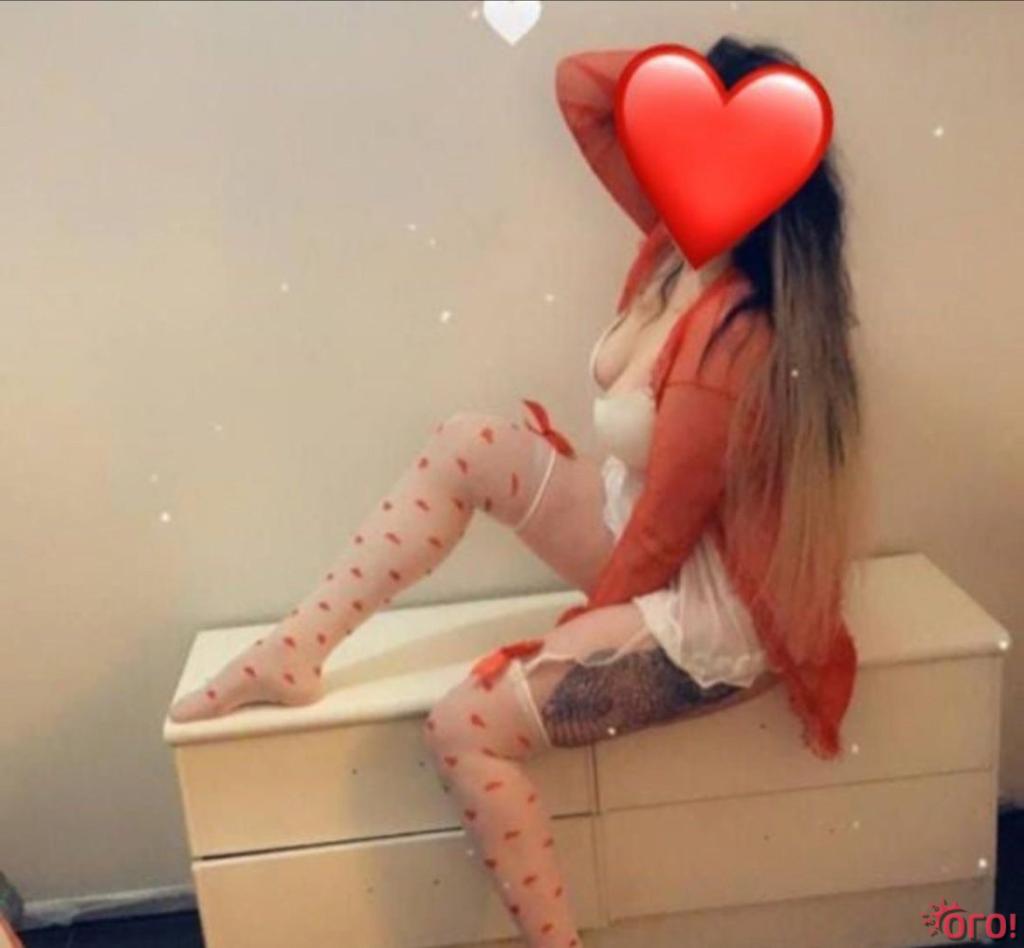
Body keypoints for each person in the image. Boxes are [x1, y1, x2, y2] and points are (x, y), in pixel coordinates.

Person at [168, 35, 867, 948]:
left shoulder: (737, 342)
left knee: (462, 725)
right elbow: (581, 89)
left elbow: (665, 535)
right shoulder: (679, 241)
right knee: (469, 443)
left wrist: (578, 637)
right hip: (645, 530)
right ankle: (292, 651)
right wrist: (690, 93)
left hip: (706, 605)